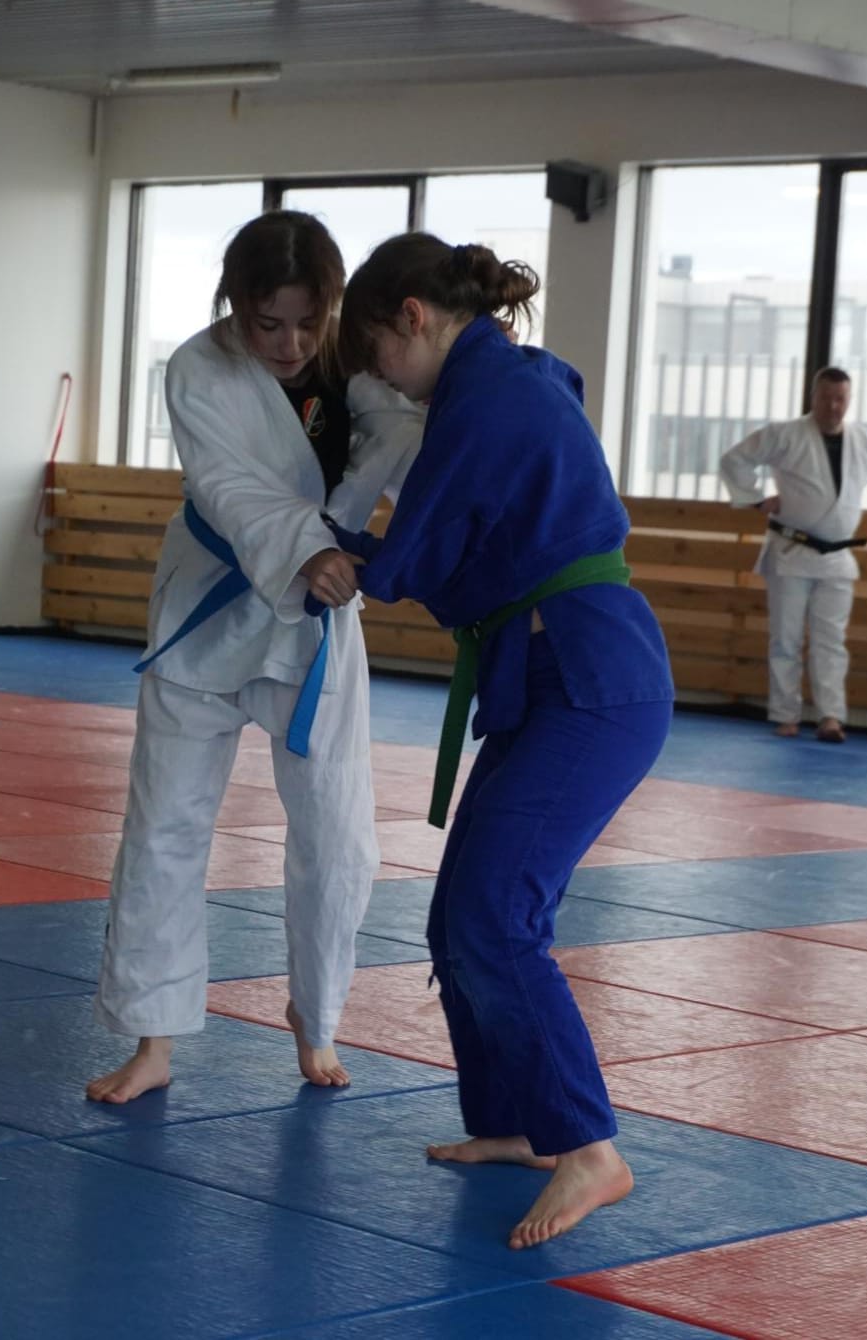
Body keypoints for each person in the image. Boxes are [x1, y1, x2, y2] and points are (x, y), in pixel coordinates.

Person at [335, 234, 674, 1250]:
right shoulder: (511, 376)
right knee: (459, 918)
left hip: (592, 681)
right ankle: (517, 1120)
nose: (379, 378)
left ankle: (589, 1148)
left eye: (374, 352)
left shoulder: (486, 397)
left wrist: (327, 547)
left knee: (496, 912)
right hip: (550, 675)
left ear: (411, 317)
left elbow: (412, 559)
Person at [86, 211, 422, 1104]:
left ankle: (318, 1016)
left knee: (339, 834)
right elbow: (226, 486)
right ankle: (155, 1038)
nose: (290, 343)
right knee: (164, 825)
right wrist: (304, 548)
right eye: (268, 322)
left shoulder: (365, 365)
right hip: (208, 607)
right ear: (234, 302)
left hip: (315, 620)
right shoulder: (199, 368)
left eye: (309, 322)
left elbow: (415, 458)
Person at [720, 367, 867, 742]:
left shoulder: (865, 441)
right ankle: (786, 715)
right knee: (786, 639)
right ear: (814, 397)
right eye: (826, 397)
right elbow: (735, 459)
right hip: (791, 551)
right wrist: (756, 498)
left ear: (849, 399)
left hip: (837, 557)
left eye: (840, 399)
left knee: (830, 641)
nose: (833, 406)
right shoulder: (784, 434)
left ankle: (830, 717)